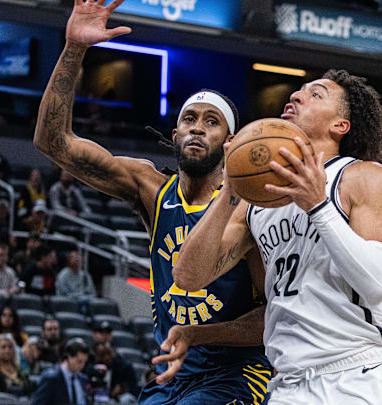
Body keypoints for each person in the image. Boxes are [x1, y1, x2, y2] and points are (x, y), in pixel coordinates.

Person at [34, 1, 273, 403]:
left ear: (231, 142)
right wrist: (74, 48)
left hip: (237, 374)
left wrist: (198, 334)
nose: (197, 128)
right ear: (176, 133)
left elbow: (273, 318)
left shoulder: (250, 209)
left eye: (211, 122)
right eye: (189, 119)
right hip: (171, 374)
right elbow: (52, 143)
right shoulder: (151, 188)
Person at [173, 67, 382, 404]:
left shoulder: (361, 177)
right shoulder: (255, 201)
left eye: (316, 94)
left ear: (340, 126)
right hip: (290, 383)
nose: (295, 96)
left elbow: (377, 284)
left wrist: (318, 206)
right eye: (299, 91)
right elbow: (188, 277)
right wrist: (230, 190)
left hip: (360, 373)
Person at [31, 338, 89, 405]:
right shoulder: (50, 379)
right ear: (69, 356)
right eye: (79, 361)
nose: (82, 366)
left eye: (85, 362)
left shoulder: (83, 379)